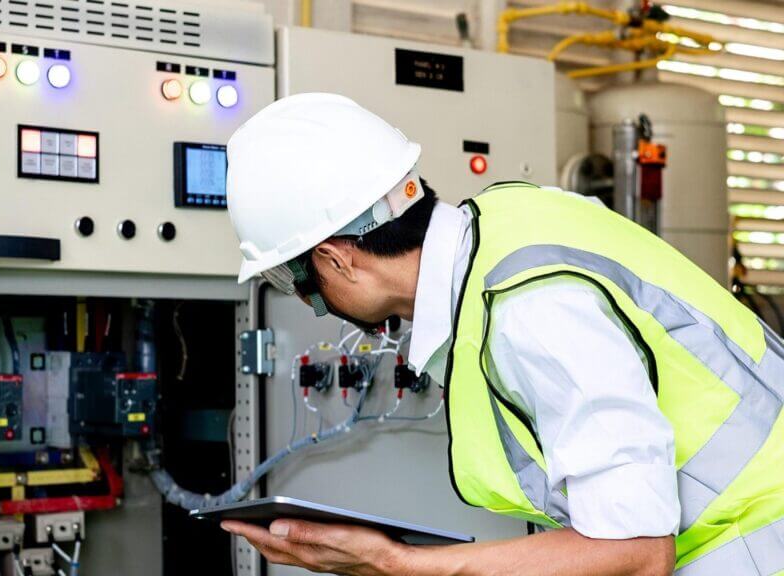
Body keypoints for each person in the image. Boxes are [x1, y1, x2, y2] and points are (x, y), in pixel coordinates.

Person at [221, 93, 784, 576]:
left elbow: (635, 552)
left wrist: (398, 564)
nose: (304, 300)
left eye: (290, 278)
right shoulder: (511, 222)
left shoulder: (528, 309)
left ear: (336, 259)